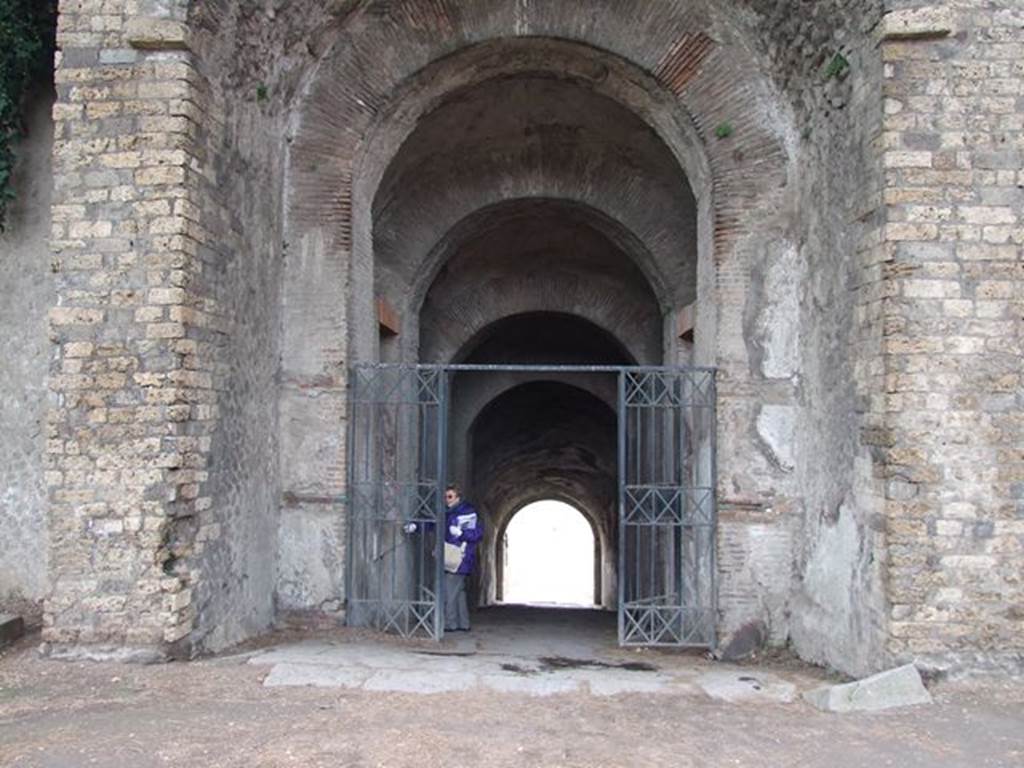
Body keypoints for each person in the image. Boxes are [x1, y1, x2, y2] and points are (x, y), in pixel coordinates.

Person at [403, 483, 482, 632]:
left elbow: (478, 534)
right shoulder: (447, 513)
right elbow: (434, 525)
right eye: (445, 497)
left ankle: (449, 624)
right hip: (451, 555)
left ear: (458, 497)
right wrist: (416, 526)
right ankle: (463, 624)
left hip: (460, 557)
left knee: (449, 592)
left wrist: (461, 533)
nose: (447, 499)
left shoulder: (468, 513)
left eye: (450, 496)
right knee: (458, 593)